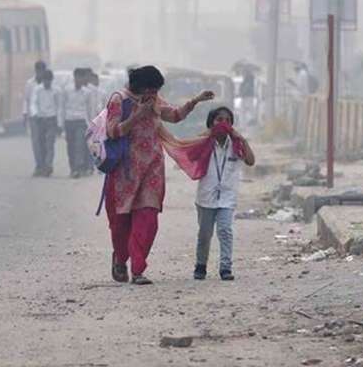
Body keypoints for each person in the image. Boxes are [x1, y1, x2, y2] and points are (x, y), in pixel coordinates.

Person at [105, 65, 214, 285]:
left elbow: (174, 116)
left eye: (156, 91)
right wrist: (138, 116)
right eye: (151, 90)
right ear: (140, 86)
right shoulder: (119, 100)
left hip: (152, 169)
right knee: (121, 223)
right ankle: (120, 258)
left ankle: (137, 269)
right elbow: (113, 131)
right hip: (125, 171)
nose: (153, 94)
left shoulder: (154, 100)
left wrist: (195, 101)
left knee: (147, 219)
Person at [193, 107, 255, 281]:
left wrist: (241, 138)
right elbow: (190, 155)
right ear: (211, 122)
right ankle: (200, 265)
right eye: (219, 120)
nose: (223, 123)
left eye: (227, 120)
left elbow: (250, 161)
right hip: (206, 196)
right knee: (205, 233)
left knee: (225, 230)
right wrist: (206, 135)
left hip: (227, 197)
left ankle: (225, 267)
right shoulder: (204, 142)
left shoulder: (236, 145)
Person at [62, 68, 95, 178]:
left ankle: (78, 167)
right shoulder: (66, 90)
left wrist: (91, 124)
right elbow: (62, 107)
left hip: (81, 121)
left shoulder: (87, 93)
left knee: (79, 145)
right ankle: (73, 168)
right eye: (78, 78)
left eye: (81, 78)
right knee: (70, 146)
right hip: (69, 121)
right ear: (74, 77)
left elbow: (90, 109)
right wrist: (61, 124)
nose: (79, 80)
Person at [29, 70, 62, 177]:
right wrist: (35, 114)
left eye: (49, 81)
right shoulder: (37, 90)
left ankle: (48, 166)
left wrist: (59, 123)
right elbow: (33, 103)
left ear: (51, 80)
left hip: (51, 120)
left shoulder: (56, 91)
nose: (47, 83)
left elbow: (59, 107)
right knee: (40, 144)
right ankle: (40, 165)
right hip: (40, 120)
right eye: (45, 81)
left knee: (49, 144)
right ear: (43, 80)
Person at [24, 61, 48, 176]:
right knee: (36, 142)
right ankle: (39, 165)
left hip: (47, 117)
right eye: (38, 71)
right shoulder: (30, 84)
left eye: (41, 71)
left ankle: (46, 165)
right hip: (34, 118)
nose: (40, 73)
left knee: (45, 142)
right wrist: (25, 114)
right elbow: (26, 100)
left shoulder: (49, 84)